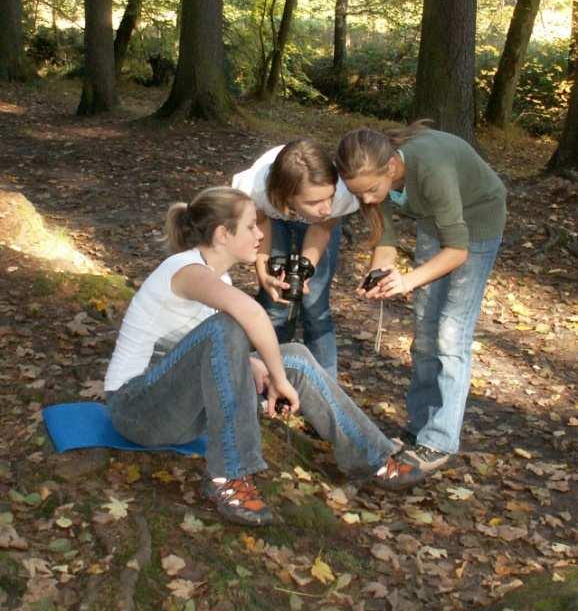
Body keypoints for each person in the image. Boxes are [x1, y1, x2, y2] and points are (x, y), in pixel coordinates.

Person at [104, 187, 401, 527]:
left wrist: (257, 364)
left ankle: (375, 458)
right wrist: (276, 377)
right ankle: (229, 476)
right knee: (232, 326)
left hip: (179, 411)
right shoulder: (185, 270)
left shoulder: (220, 277)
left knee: (296, 357)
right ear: (222, 234)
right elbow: (247, 316)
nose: (261, 234)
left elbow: (203, 348)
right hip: (135, 409)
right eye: (250, 227)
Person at [335, 123, 506, 489]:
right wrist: (380, 272)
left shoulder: (433, 170)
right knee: (426, 330)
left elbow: (457, 251)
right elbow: (386, 238)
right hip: (436, 222)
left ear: (391, 169)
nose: (366, 200)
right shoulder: (375, 175)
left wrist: (409, 280)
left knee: (450, 333)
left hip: (476, 223)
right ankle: (418, 430)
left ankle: (439, 440)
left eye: (370, 191)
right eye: (357, 194)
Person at [232, 140, 359, 378]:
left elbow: (321, 228)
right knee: (275, 303)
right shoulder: (255, 191)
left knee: (315, 307)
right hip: (271, 219)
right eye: (314, 202)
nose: (327, 208)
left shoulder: (339, 193)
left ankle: (325, 389)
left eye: (328, 198)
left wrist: (304, 270)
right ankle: (266, 378)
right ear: (286, 197)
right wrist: (264, 273)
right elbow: (261, 225)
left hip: (316, 230)